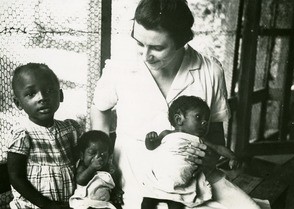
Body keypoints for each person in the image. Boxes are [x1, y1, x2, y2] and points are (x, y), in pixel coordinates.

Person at [91, 0, 260, 208]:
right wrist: (103, 165)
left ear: (181, 40)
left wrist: (211, 158)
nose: (145, 56)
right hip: (136, 172)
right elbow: (100, 108)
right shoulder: (120, 67)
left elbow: (215, 132)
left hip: (194, 173)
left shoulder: (209, 71)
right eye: (139, 43)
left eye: (157, 47)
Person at [142, 95, 240, 209]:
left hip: (180, 185)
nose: (204, 122)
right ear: (179, 119)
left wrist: (233, 157)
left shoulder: (199, 140)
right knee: (146, 204)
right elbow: (151, 146)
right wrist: (150, 139)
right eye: (198, 117)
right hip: (158, 179)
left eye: (206, 120)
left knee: (176, 205)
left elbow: (218, 148)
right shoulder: (166, 134)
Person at [7, 63, 82, 209]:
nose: (42, 98)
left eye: (49, 91)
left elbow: (80, 165)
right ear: (18, 103)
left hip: (67, 204)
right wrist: (46, 205)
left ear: (60, 95)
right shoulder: (23, 134)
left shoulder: (69, 129)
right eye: (31, 94)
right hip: (32, 206)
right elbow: (16, 177)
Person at [69, 130, 122, 209]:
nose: (98, 157)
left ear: (109, 157)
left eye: (103, 154)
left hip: (103, 204)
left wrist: (116, 193)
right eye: (92, 153)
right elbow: (80, 180)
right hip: (84, 203)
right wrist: (92, 168)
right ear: (81, 155)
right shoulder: (83, 167)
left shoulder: (108, 170)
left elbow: (113, 185)